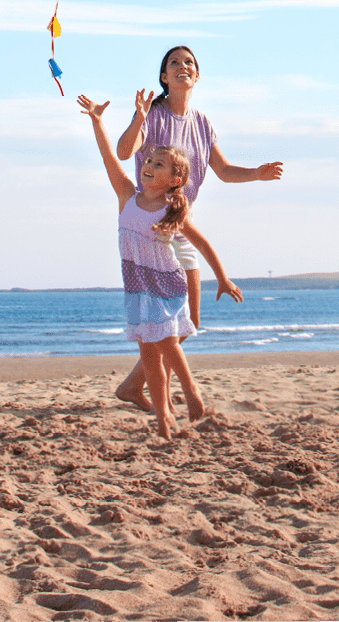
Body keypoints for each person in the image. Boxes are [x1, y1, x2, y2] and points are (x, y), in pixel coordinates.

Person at [110, 44, 283, 412]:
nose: (182, 66)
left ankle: (133, 386)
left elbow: (222, 170)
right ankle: (169, 397)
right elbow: (125, 152)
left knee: (188, 321)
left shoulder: (202, 123)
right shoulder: (153, 115)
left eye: (189, 62)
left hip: (179, 222)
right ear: (164, 76)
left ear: (197, 75)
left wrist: (257, 174)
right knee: (169, 322)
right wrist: (138, 118)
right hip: (152, 226)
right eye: (174, 62)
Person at [77, 93, 243, 440]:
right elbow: (110, 159)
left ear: (175, 180)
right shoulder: (127, 195)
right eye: (149, 160)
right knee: (150, 357)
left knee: (168, 343)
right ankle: (163, 417)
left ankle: (193, 394)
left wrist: (223, 279)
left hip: (167, 285)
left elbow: (202, 244)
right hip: (137, 288)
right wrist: (97, 121)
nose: (148, 165)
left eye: (159, 164)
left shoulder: (171, 210)